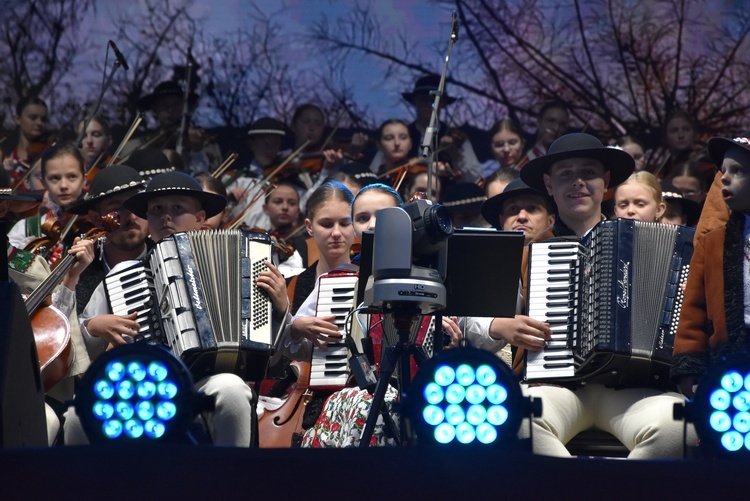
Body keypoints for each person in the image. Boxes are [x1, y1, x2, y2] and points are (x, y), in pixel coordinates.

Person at [65, 171, 288, 447]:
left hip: (207, 379)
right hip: (146, 383)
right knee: (77, 415)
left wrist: (280, 309)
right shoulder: (125, 275)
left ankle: (232, 482)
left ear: (200, 218)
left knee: (231, 390)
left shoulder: (243, 262)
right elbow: (77, 341)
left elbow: (275, 353)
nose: (165, 217)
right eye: (156, 209)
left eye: (177, 208)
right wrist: (93, 326)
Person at [512, 132, 690, 458]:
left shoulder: (646, 244)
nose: (578, 182)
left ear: (605, 182)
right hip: (557, 388)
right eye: (566, 174)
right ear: (549, 185)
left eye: (589, 173)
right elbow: (477, 321)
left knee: (676, 427)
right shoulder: (530, 252)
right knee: (519, 420)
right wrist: (500, 324)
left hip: (633, 388)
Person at [1, 170, 94, 444]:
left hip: (21, 388)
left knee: (47, 419)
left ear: (3, 208)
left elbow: (56, 322)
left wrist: (69, 279)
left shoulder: (24, 264)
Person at [671, 134, 750, 398]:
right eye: (723, 171)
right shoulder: (712, 243)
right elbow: (693, 311)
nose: (725, 178)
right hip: (727, 368)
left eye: (738, 171)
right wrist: (689, 367)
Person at [67, 165, 150, 315]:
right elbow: (60, 325)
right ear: (96, 219)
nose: (131, 216)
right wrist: (89, 328)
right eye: (119, 207)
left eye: (136, 205)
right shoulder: (81, 269)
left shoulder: (166, 257)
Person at [7, 142, 86, 257]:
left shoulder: (95, 224)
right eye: (55, 178)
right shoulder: (25, 228)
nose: (63, 185)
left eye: (72, 177)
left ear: (84, 179)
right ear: (43, 182)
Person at [130, 80, 222, 175]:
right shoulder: (142, 143)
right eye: (164, 105)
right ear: (154, 107)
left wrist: (196, 149)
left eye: (175, 104)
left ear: (183, 106)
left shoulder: (202, 140)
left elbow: (213, 171)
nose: (170, 109)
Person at [481, 177, 555, 245]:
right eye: (513, 209)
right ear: (502, 222)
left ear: (551, 221)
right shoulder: (483, 257)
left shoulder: (565, 255)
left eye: (532, 208)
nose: (521, 217)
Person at [1, 96, 50, 179]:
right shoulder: (6, 154)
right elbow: (2, 192)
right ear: (18, 119)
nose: (39, 123)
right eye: (33, 118)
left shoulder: (47, 156)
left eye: (43, 119)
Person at [517, 101, 569, 166]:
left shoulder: (564, 161)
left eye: (562, 124)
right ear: (539, 121)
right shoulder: (518, 149)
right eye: (551, 121)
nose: (556, 128)